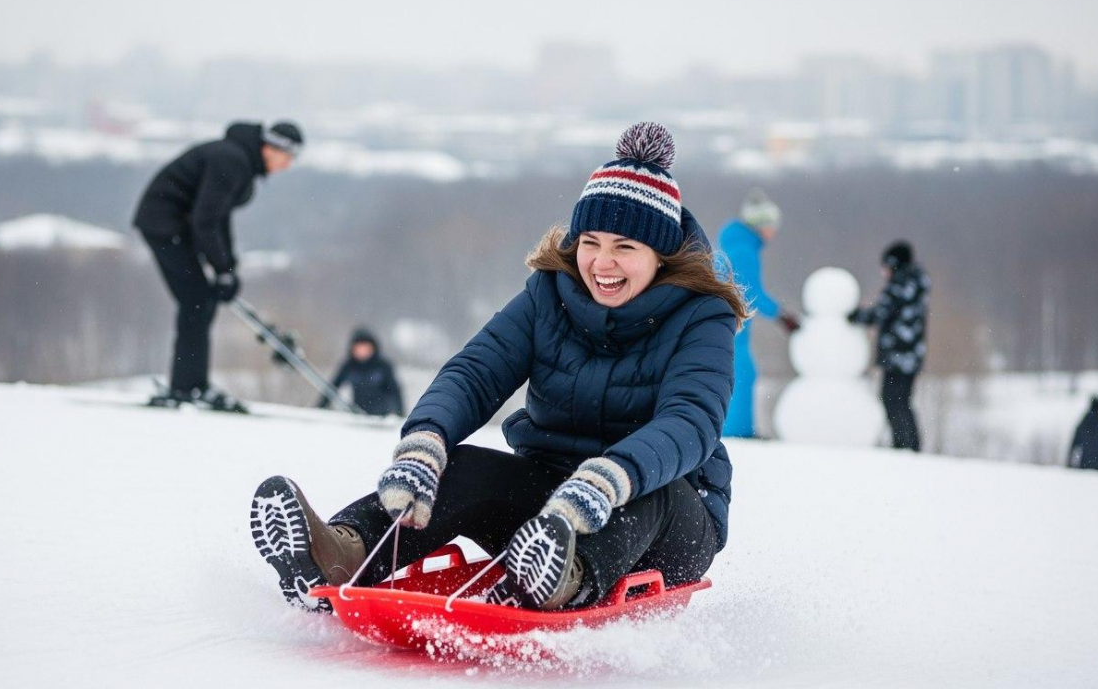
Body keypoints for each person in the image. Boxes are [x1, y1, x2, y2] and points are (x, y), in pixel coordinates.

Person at [250, 123, 748, 612]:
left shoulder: (702, 316)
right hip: (548, 508)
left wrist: (610, 478)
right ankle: (340, 553)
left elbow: (691, 420)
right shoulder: (549, 294)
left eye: (625, 247)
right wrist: (426, 440)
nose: (601, 263)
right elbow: (476, 372)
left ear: (660, 256)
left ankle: (561, 579)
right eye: (591, 242)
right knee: (460, 468)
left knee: (647, 495)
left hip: (667, 519)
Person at [134, 120, 303, 413]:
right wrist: (223, 269)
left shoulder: (238, 159)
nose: (287, 166)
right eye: (288, 157)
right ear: (271, 148)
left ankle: (190, 385)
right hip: (165, 224)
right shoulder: (233, 161)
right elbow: (206, 219)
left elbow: (218, 217)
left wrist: (227, 267)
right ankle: (188, 388)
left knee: (199, 302)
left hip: (175, 225)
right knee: (196, 301)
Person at [715, 188, 801, 439]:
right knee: (742, 373)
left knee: (738, 372)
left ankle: (736, 429)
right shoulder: (744, 250)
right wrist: (781, 315)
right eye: (771, 225)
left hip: (725, 320)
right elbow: (750, 292)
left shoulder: (734, 245)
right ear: (760, 225)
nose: (774, 231)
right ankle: (737, 432)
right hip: (731, 322)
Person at [848, 241, 930, 451]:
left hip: (898, 355)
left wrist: (855, 316)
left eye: (885, 266)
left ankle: (905, 446)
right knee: (901, 401)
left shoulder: (901, 284)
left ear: (894, 264)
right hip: (911, 354)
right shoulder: (915, 283)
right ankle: (909, 445)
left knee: (893, 400)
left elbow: (882, 313)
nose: (883, 271)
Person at [318, 328, 405, 417]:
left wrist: (399, 414)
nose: (362, 352)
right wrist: (319, 409)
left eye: (365, 348)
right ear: (353, 349)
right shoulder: (349, 366)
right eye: (359, 348)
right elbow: (332, 388)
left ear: (372, 348)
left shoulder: (383, 366)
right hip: (358, 415)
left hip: (381, 417)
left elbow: (395, 392)